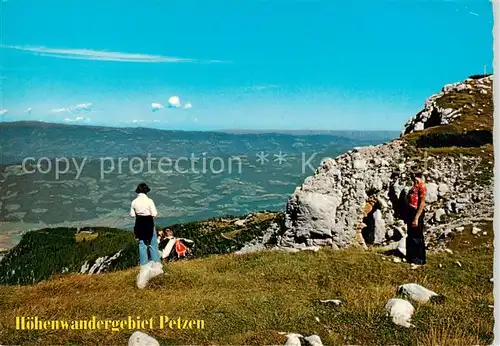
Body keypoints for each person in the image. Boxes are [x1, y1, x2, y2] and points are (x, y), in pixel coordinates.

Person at [130, 183, 164, 288]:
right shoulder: (149, 201)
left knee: (142, 244)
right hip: (149, 223)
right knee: (153, 244)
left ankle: (144, 265)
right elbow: (154, 214)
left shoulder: (134, 202)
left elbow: (132, 214)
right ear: (146, 191)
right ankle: (156, 264)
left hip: (139, 223)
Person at [405, 171, 427, 269]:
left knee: (417, 235)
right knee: (410, 234)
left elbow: (422, 203)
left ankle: (419, 259)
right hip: (410, 210)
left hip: (417, 212)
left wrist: (416, 218)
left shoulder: (422, 186)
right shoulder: (415, 186)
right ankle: (410, 257)